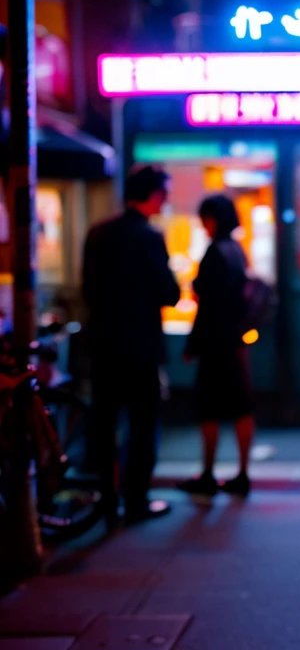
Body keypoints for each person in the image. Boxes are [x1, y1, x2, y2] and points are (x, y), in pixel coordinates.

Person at [83, 165, 180, 526]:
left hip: (104, 346)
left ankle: (106, 501)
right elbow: (168, 293)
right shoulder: (149, 237)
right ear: (155, 195)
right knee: (142, 427)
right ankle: (135, 501)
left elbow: (87, 289)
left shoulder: (98, 233)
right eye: (165, 193)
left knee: (104, 425)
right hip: (141, 348)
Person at [176, 194, 255, 498]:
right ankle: (242, 473)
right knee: (241, 407)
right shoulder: (237, 251)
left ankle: (208, 473)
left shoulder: (214, 253)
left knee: (208, 408)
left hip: (214, 343)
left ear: (213, 219)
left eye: (204, 218)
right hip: (235, 342)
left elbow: (206, 305)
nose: (203, 225)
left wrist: (192, 345)